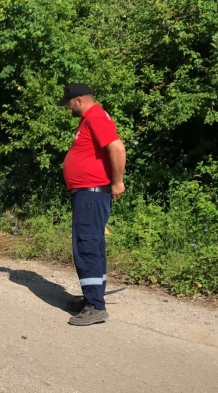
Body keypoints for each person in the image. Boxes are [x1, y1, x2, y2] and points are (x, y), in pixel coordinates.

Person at [59, 83, 126, 326]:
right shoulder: (90, 119)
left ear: (78, 100)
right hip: (88, 193)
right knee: (91, 244)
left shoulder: (95, 116)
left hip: (92, 193)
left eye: (68, 103)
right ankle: (91, 297)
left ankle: (96, 306)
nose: (67, 108)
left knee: (87, 245)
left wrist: (117, 182)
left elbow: (117, 148)